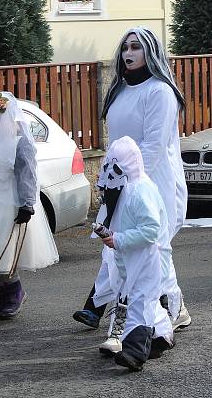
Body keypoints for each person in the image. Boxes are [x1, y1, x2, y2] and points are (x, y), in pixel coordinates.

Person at [72, 27, 191, 355]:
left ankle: (155, 316)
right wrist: (112, 184)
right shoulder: (120, 90)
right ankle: (161, 311)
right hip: (119, 181)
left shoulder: (161, 92)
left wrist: (133, 186)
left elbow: (152, 146)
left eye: (136, 47)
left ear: (150, 52)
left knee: (153, 248)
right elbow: (116, 143)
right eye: (125, 47)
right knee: (118, 250)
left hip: (152, 183)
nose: (129, 52)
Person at [0, 91, 58, 318]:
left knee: (6, 249)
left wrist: (27, 204)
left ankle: (14, 293)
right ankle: (4, 294)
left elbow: (27, 174)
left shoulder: (20, 142)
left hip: (10, 201)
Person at [92, 136, 174, 372]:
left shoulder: (140, 191)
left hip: (149, 259)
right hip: (129, 257)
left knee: (140, 302)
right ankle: (161, 337)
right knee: (145, 301)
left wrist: (118, 239)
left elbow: (150, 231)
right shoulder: (124, 189)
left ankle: (134, 352)